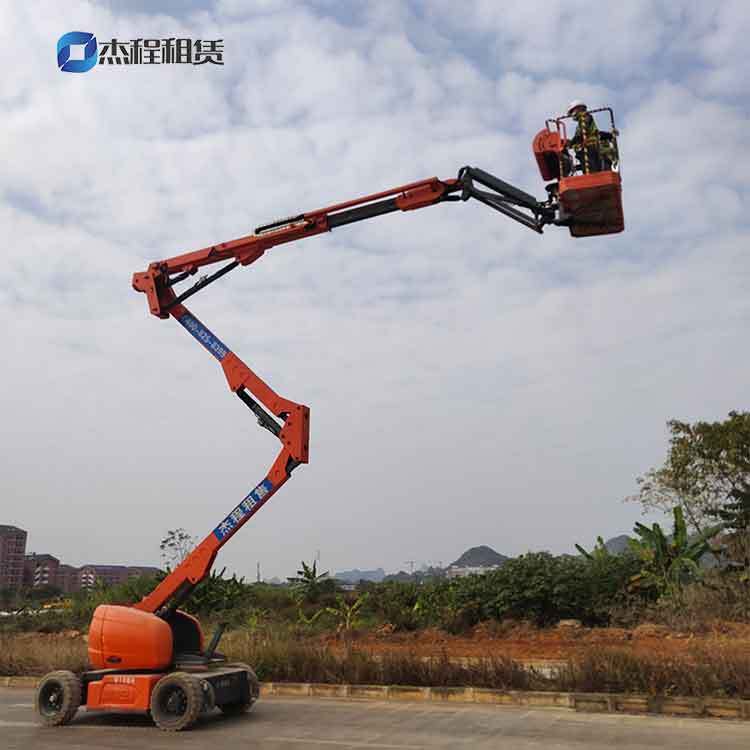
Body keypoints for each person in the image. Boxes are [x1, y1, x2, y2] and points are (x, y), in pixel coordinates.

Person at [566, 100, 602, 173]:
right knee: (584, 160)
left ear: (579, 108)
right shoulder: (580, 123)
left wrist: (571, 143)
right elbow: (578, 136)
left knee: (590, 163)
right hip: (586, 149)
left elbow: (581, 134)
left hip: (591, 147)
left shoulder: (586, 117)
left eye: (572, 111)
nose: (572, 114)